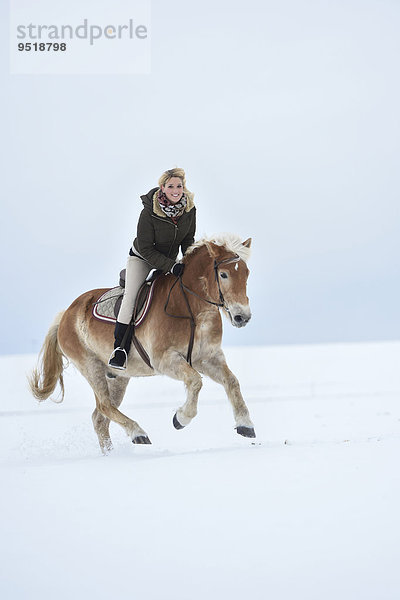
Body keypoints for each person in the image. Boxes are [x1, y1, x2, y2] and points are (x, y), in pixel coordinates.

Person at [108, 167, 196, 369]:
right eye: (171, 186)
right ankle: (119, 350)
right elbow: (147, 249)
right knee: (131, 297)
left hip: (169, 260)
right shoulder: (148, 211)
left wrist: (188, 261)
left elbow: (188, 240)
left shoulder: (190, 209)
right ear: (162, 188)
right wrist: (170, 266)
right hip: (142, 258)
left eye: (179, 186)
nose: (176, 190)